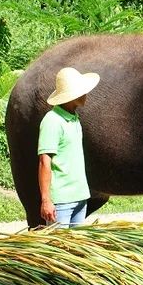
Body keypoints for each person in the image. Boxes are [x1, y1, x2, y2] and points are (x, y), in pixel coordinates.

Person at [38, 66, 100, 227]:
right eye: (81, 91)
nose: (85, 94)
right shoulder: (52, 121)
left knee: (74, 251)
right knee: (58, 249)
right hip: (61, 202)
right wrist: (46, 201)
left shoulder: (74, 118)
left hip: (80, 197)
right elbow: (44, 162)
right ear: (71, 96)